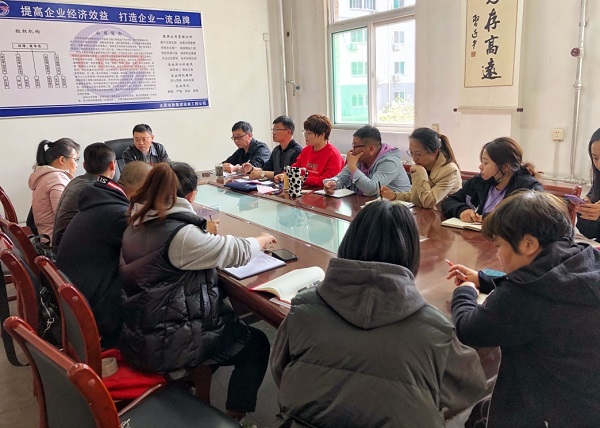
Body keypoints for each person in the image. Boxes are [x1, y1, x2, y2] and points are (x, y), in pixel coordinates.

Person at [271, 200, 487, 427]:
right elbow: (471, 387)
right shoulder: (436, 330)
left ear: (348, 243)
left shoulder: (303, 308)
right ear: (412, 254)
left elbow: (279, 371)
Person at [118, 162, 275, 421]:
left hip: (143, 332)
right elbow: (235, 252)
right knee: (256, 344)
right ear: (191, 195)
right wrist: (261, 240)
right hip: (169, 343)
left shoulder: (138, 220)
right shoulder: (179, 235)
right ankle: (233, 418)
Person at [448, 190, 600, 427]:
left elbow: (469, 329)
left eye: (499, 246)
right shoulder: (585, 257)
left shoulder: (523, 295)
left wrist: (465, 292)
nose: (498, 255)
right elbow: (550, 280)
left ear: (529, 244)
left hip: (551, 412)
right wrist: (485, 279)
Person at [56, 161, 152, 348]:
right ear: (143, 190)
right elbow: (152, 249)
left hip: (78, 295)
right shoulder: (118, 214)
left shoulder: (103, 200)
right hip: (97, 308)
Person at [441, 137, 543, 222]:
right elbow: (449, 201)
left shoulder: (529, 187)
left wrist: (489, 218)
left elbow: (529, 218)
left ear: (504, 167)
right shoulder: (480, 181)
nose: (480, 166)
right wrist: (462, 210)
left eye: (486, 163)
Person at [52, 142, 116, 246]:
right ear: (112, 165)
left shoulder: (76, 181)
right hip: (71, 251)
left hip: (62, 247)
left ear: (84, 165)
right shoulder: (96, 190)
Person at [381, 127, 461, 208]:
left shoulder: (450, 171)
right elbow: (417, 197)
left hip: (445, 214)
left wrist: (420, 174)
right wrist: (394, 195)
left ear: (434, 152)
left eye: (418, 154)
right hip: (424, 213)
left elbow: (428, 202)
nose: (414, 159)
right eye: (411, 153)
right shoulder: (423, 165)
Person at [323, 125, 409, 196]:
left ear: (371, 149)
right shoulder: (360, 159)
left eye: (356, 146)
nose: (353, 150)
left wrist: (353, 167)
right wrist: (333, 183)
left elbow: (372, 189)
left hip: (395, 208)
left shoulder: (390, 162)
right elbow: (342, 178)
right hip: (367, 205)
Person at [28, 138, 81, 240]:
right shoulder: (57, 180)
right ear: (62, 160)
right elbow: (65, 217)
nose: (77, 164)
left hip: (47, 237)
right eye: (75, 159)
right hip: (58, 242)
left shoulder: (45, 176)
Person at [274, 114, 344, 187]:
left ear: (322, 135)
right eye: (305, 132)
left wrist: (302, 179)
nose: (306, 136)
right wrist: (284, 175)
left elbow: (328, 181)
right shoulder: (306, 150)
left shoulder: (333, 155)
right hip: (304, 189)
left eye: (309, 133)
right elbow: (295, 168)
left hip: (322, 191)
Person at [575, 128, 600, 240]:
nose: (599, 164)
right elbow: (589, 233)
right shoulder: (598, 183)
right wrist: (584, 211)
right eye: (595, 158)